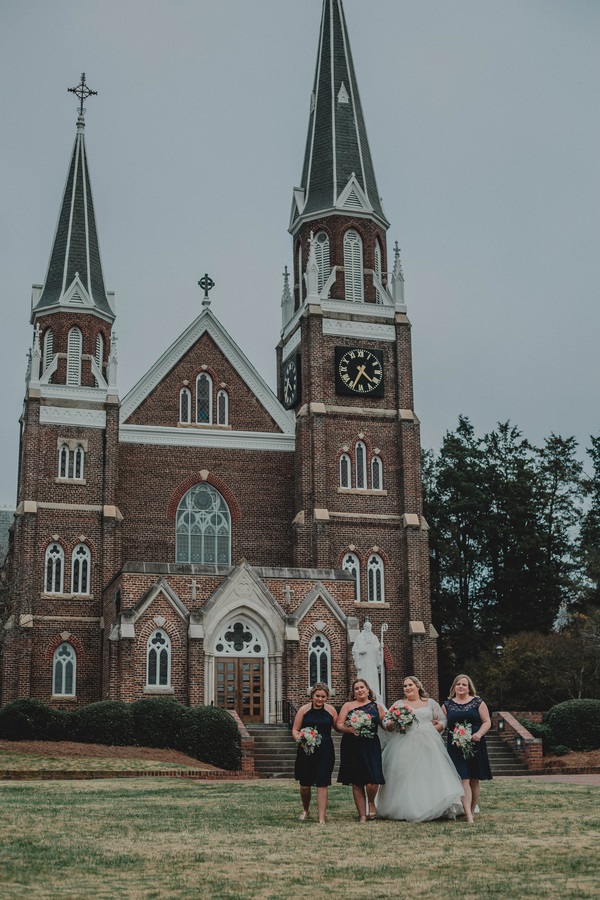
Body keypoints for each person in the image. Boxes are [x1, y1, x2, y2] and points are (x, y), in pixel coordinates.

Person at [375, 675, 464, 822]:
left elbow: (443, 719)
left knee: (429, 772)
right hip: (403, 741)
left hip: (428, 741)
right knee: (403, 774)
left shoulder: (430, 703)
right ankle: (405, 807)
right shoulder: (399, 704)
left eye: (410, 685)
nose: (408, 688)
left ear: (417, 686)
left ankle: (434, 805)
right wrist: (393, 724)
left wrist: (434, 728)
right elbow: (387, 722)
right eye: (405, 686)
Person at [442, 674, 492, 823]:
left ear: (469, 687)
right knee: (464, 779)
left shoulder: (477, 702)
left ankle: (472, 809)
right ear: (454, 687)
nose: (461, 687)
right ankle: (468, 815)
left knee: (474, 780)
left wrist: (479, 734)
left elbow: (487, 721)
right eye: (458, 684)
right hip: (456, 746)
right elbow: (441, 722)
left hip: (475, 744)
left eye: (464, 684)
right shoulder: (447, 705)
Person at [336, 678, 386, 822]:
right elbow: (339, 725)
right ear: (353, 692)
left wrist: (399, 722)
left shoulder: (377, 706)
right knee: (357, 781)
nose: (360, 690)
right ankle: (362, 814)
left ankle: (371, 802)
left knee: (373, 780)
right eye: (356, 688)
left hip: (371, 744)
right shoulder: (348, 705)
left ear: (368, 689)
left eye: (362, 687)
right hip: (353, 744)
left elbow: (385, 724)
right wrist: (350, 729)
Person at [292, 682, 338, 824]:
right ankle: (306, 809)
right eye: (317, 696)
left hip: (325, 750)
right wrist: (300, 738)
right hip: (306, 750)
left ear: (327, 697)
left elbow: (338, 726)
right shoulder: (303, 710)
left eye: (323, 697)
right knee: (305, 785)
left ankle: (321, 818)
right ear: (312, 695)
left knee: (322, 783)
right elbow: (295, 729)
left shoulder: (331, 710)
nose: (320, 699)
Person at [352, 621, 382, 700]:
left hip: (372, 661)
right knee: (363, 677)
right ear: (364, 627)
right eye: (366, 627)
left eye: (369, 627)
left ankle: (374, 694)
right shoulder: (360, 637)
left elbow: (377, 649)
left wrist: (379, 647)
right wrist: (359, 652)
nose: (368, 629)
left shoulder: (374, 637)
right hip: (363, 661)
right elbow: (354, 650)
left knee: (373, 677)